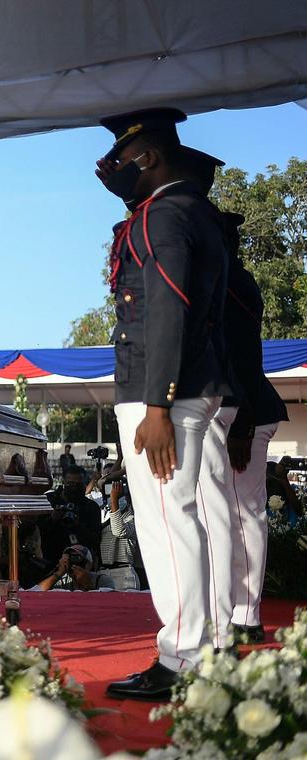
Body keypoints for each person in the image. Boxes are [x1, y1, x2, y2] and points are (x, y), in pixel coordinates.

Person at [94, 108, 232, 701]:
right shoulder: (189, 213)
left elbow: (169, 309)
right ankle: (204, 645)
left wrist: (156, 407)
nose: (112, 171)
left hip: (162, 398)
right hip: (180, 391)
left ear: (147, 158)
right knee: (186, 519)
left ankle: (180, 661)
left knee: (166, 524)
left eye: (121, 159)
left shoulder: (163, 216)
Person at [173, 153, 290, 648]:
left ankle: (244, 613)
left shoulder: (235, 284)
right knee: (224, 511)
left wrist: (239, 422)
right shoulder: (220, 283)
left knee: (242, 514)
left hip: (245, 409)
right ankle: (231, 609)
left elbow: (245, 354)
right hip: (231, 406)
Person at [38, 465, 102, 573]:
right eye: (70, 484)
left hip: (80, 565)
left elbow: (95, 539)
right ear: (64, 483)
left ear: (84, 484)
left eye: (78, 484)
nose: (74, 488)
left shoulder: (91, 507)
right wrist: (52, 519)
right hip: (50, 561)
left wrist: (78, 526)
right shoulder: (49, 501)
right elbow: (36, 531)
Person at [32, 545, 116, 591]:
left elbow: (107, 603)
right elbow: (37, 592)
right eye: (70, 559)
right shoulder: (63, 580)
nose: (73, 563)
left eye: (78, 559)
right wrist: (58, 574)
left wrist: (87, 585)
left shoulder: (102, 580)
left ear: (89, 565)